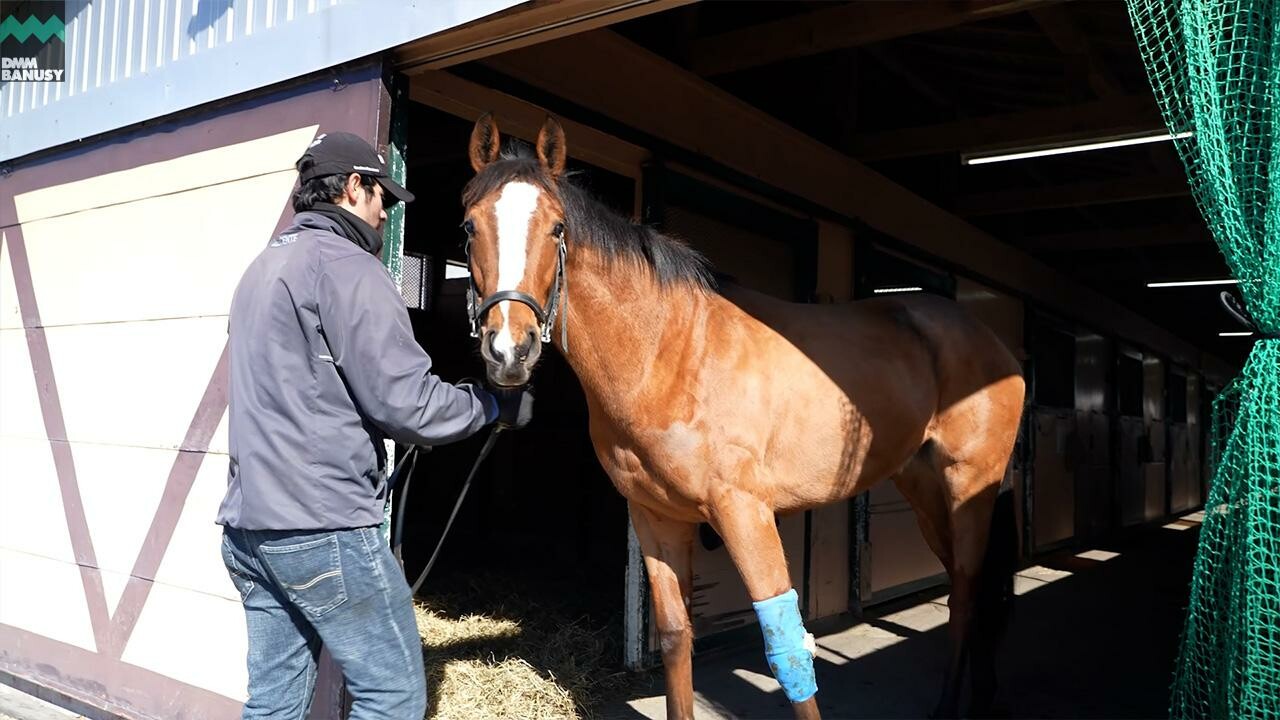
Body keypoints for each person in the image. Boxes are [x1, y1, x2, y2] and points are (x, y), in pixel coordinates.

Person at [216, 131, 531, 719]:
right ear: (353, 186)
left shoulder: (261, 269)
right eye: (381, 194)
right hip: (323, 526)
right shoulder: (348, 268)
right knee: (393, 697)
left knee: (274, 704)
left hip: (249, 527)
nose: (386, 209)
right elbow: (406, 405)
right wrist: (490, 406)